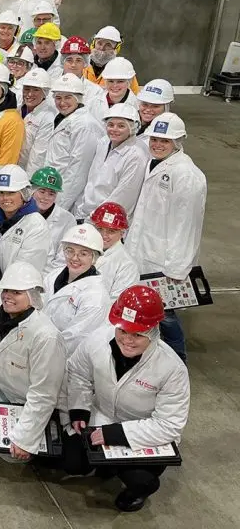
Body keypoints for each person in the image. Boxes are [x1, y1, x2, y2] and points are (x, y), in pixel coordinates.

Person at [64, 286, 189, 512]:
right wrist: (79, 408)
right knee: (72, 462)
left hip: (141, 432)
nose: (128, 340)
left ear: (153, 331)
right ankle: (107, 465)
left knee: (141, 479)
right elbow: (78, 372)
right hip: (101, 416)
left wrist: (116, 434)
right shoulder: (97, 340)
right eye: (123, 331)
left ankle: (136, 492)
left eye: (138, 334)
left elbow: (169, 425)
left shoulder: (172, 369)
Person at [125, 113, 205, 361]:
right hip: (143, 251)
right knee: (146, 311)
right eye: (155, 140)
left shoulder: (187, 175)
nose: (157, 145)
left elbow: (187, 226)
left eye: (165, 141)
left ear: (178, 142)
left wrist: (177, 269)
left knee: (165, 314)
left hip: (165, 263)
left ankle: (178, 358)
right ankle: (150, 358)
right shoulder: (154, 163)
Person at [0, 262, 67, 462]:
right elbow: (2, 349)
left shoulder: (45, 336)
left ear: (33, 296)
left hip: (36, 403)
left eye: (16, 292)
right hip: (10, 392)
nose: (7, 296)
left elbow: (44, 394)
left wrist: (26, 439)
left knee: (12, 455)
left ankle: (49, 437)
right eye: (6, 290)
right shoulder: (2, 318)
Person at [43, 224, 111, 355]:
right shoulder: (53, 276)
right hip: (37, 347)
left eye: (83, 254)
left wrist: (41, 351)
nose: (74, 258)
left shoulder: (96, 297)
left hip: (61, 359)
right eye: (70, 251)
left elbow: (74, 340)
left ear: (94, 258)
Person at [0, 165, 50, 287]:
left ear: (24, 194)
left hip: (21, 288)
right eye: (0, 192)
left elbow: (22, 273)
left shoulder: (36, 225)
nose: (4, 198)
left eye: (11, 193)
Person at [76, 104, 147, 220]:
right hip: (85, 213)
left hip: (108, 220)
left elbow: (123, 196)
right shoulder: (104, 142)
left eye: (121, 126)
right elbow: (92, 179)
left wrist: (94, 218)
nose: (114, 129)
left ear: (132, 128)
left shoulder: (137, 155)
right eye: (110, 125)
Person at [46, 74, 105, 210]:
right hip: (53, 188)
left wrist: (58, 206)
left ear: (78, 98)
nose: (62, 103)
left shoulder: (85, 125)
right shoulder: (62, 118)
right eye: (58, 98)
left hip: (68, 197)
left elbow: (78, 171)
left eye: (68, 97)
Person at [29, 167, 76, 271]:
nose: (46, 197)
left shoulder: (68, 220)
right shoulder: (20, 212)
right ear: (32, 190)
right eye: (42, 191)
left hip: (48, 276)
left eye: (51, 194)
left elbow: (63, 258)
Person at [17, 68, 55, 176]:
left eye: (35, 90)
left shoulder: (48, 117)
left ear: (44, 92)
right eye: (27, 89)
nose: (29, 94)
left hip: (27, 172)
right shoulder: (17, 109)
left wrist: (29, 182)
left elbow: (38, 156)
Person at [85, 25, 141, 95]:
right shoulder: (82, 64)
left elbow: (135, 96)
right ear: (93, 44)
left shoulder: (124, 68)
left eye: (108, 45)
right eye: (99, 43)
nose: (102, 48)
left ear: (116, 48)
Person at [89, 57, 139, 121]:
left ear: (129, 82)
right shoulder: (93, 102)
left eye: (120, 81)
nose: (115, 86)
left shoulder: (137, 107)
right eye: (111, 81)